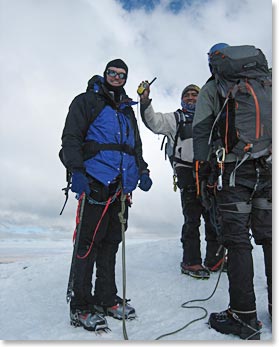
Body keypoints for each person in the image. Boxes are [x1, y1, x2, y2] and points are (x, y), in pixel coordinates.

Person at [60, 58, 152, 332]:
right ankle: (81, 305)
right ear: (105, 74)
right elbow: (71, 138)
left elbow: (135, 145)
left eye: (122, 74)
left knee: (111, 243)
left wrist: (142, 170)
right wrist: (76, 171)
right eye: (112, 72)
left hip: (122, 186)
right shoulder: (86, 101)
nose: (116, 76)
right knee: (87, 245)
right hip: (95, 181)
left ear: (126, 78)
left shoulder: (127, 110)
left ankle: (106, 297)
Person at [192, 43, 272, 340]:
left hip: (234, 171)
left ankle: (244, 316)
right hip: (268, 168)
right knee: (269, 238)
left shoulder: (213, 87)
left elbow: (201, 131)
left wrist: (202, 177)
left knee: (238, 242)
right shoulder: (264, 81)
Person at [139, 82, 223, 280]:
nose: (191, 98)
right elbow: (153, 122)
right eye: (187, 95)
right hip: (187, 175)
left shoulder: (212, 117)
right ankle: (191, 261)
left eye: (195, 95)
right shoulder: (175, 118)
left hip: (210, 173)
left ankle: (215, 259)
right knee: (192, 220)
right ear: (182, 99)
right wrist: (144, 101)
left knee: (214, 219)